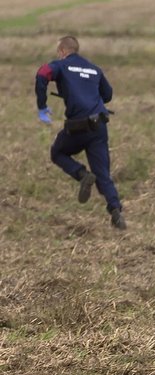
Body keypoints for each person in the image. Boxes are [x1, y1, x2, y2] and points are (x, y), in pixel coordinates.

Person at [35, 35, 125, 229]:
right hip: (99, 126)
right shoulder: (94, 69)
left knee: (57, 152)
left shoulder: (61, 65)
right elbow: (107, 95)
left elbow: (42, 73)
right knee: (103, 174)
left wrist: (42, 106)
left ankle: (82, 174)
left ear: (62, 52)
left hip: (77, 127)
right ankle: (116, 211)